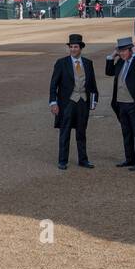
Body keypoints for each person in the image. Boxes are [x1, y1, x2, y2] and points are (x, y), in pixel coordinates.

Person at [49, 33, 98, 170]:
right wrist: (53, 102)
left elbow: (92, 85)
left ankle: (83, 160)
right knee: (65, 132)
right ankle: (62, 160)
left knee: (81, 132)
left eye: (76, 47)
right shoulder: (61, 63)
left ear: (80, 48)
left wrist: (94, 101)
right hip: (67, 103)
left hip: (83, 102)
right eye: (71, 47)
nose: (73, 49)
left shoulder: (88, 64)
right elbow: (54, 85)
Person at [105, 36, 135, 171]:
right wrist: (112, 56)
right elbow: (109, 72)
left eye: (124, 50)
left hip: (134, 104)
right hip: (121, 104)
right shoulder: (120, 62)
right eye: (120, 51)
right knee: (127, 133)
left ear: (131, 50)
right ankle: (130, 159)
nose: (122, 53)